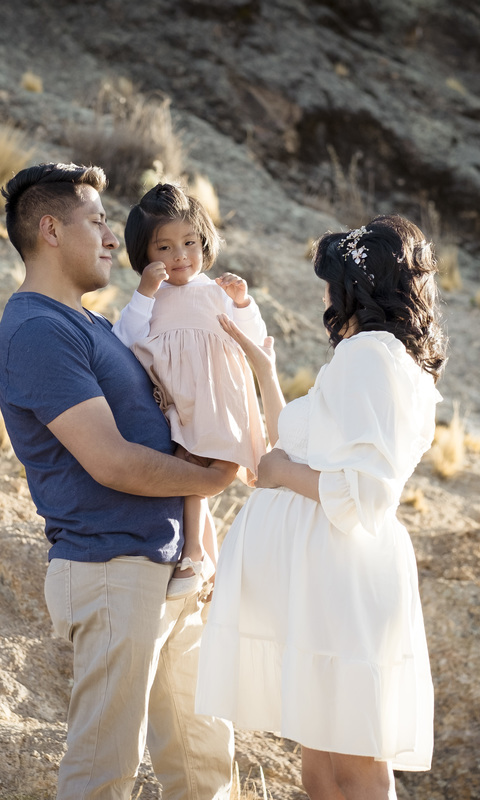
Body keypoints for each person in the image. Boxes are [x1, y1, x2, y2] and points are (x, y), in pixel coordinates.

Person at [0, 162, 235, 800]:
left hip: (170, 567)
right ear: (50, 230)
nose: (110, 238)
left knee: (204, 763)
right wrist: (211, 480)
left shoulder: (95, 325)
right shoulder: (39, 331)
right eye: (97, 222)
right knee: (106, 768)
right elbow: (113, 461)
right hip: (110, 568)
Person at [196, 215, 447, 799]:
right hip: (321, 580)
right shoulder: (375, 357)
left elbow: (368, 493)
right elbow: (301, 443)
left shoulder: (371, 357)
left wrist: (280, 473)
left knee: (354, 766)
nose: (324, 298)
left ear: (357, 288)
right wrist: (265, 370)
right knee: (322, 766)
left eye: (330, 284)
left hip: (341, 577)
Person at [113, 182, 268, 599]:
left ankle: (197, 556)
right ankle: (204, 563)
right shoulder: (151, 298)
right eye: (163, 248)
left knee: (196, 471)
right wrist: (144, 292)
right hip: (180, 403)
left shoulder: (216, 292)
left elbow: (253, 340)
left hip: (218, 400)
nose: (179, 255)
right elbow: (124, 339)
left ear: (204, 242)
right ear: (144, 254)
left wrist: (242, 302)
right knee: (190, 474)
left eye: (189, 243)